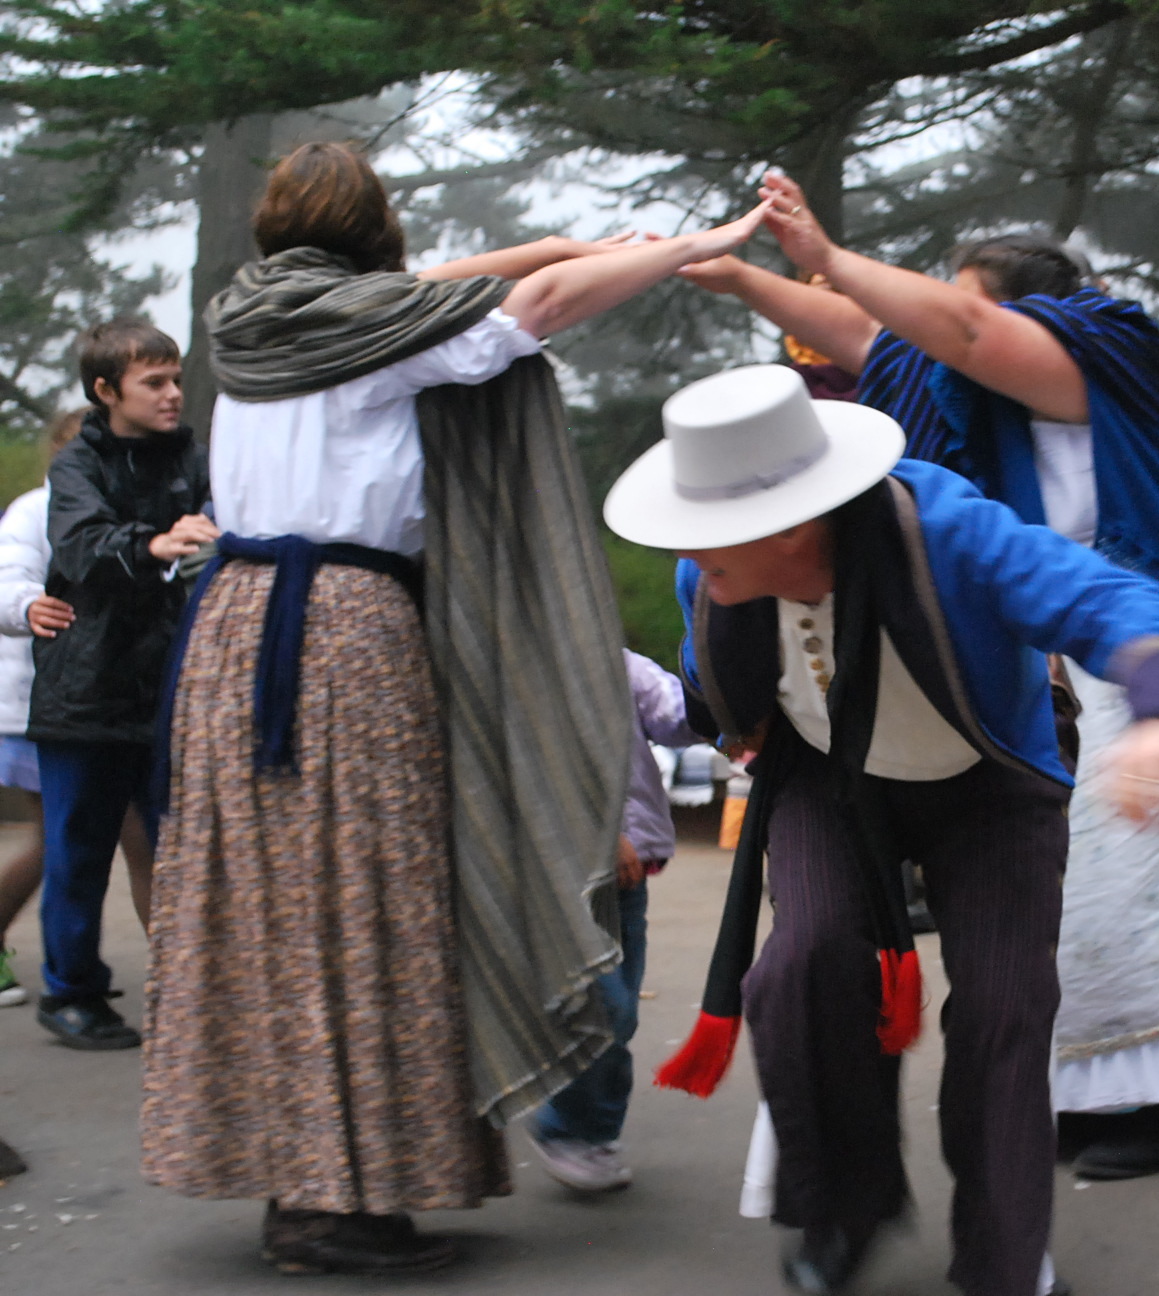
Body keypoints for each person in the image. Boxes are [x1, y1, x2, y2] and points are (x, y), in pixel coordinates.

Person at [139, 140, 770, 1275]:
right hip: (340, 634)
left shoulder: (251, 320)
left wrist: (566, 243)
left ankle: (299, 1183)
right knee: (368, 910)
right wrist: (691, 245)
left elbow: (438, 286)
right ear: (373, 234)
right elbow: (538, 307)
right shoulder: (370, 334)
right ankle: (341, 1198)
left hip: (232, 635)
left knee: (273, 913)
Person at [679, 173, 1159, 1184]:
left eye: (959, 296)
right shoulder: (969, 381)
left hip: (1158, 655)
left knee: (1140, 905)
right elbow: (876, 340)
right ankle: (1087, 1097)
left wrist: (824, 256)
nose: (932, 315)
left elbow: (963, 332)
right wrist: (741, 278)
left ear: (1034, 309)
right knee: (1068, 913)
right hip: (1065, 657)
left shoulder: (1095, 355)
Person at [614, 362, 1159, 1296]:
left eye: (707, 529)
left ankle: (1004, 1255)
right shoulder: (713, 571)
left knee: (1004, 1008)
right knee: (803, 965)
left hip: (988, 782)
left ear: (790, 525)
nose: (686, 548)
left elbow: (1110, 602)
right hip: (827, 776)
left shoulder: (946, 530)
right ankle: (842, 1207)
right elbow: (712, 687)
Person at [27, 322, 208, 1049]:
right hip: (86, 694)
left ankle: (195, 989)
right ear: (106, 391)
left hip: (171, 690)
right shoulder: (76, 466)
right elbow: (80, 545)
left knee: (183, 846)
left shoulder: (191, 457)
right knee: (79, 852)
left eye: (176, 379)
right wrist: (155, 544)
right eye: (153, 382)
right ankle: (71, 992)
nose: (172, 394)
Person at [527, 648, 699, 1193]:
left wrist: (721, 679)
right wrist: (605, 836)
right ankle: (565, 1130)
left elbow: (677, 717)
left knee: (619, 1015)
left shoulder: (618, 664)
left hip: (625, 881)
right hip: (559, 869)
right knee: (602, 1006)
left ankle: (593, 1133)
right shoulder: (525, 668)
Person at [0, 410, 154, 1008]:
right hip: (39, 711)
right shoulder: (34, 512)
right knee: (70, 843)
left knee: (129, 843)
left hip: (105, 708)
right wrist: (27, 606)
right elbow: (11, 581)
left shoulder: (125, 508)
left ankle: (175, 982)